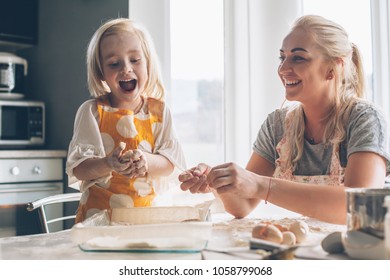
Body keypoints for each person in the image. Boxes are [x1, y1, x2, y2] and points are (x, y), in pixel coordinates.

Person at [179, 15, 390, 225]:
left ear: (333, 68)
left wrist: (261, 185)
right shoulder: (277, 125)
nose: (283, 69)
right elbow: (242, 206)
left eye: (298, 58)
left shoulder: (364, 119)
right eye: (282, 58)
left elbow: (359, 207)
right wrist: (220, 182)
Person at [66, 18, 186, 223]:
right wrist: (108, 163)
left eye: (135, 60)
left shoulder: (160, 112)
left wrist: (146, 161)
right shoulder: (92, 112)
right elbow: (79, 169)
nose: (126, 69)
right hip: (98, 222)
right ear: (101, 72)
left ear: (148, 63)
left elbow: (170, 164)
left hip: (145, 221)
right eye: (114, 63)